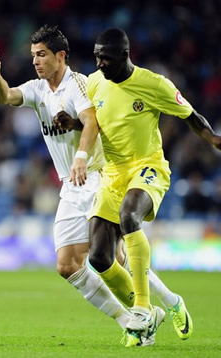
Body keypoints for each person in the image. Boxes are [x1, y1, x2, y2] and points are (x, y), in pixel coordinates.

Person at [0, 25, 178, 346]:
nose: (36, 61)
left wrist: (81, 157)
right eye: (33, 56)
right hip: (71, 186)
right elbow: (5, 96)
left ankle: (159, 308)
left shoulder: (79, 85)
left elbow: (91, 122)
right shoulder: (38, 89)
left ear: (61, 56)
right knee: (67, 265)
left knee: (113, 257)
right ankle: (135, 316)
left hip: (99, 176)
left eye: (42, 55)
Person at [69, 28, 221, 347]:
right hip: (113, 173)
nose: (100, 63)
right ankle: (162, 307)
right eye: (97, 57)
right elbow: (94, 123)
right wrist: (72, 124)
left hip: (147, 166)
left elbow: (191, 115)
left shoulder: (154, 84)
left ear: (125, 55)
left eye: (106, 58)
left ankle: (140, 309)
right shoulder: (95, 82)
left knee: (129, 215)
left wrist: (213, 140)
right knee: (98, 257)